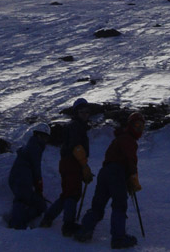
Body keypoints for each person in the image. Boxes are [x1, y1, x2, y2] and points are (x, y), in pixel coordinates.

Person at [74, 112, 145, 249]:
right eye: (136, 125)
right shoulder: (128, 139)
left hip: (105, 172)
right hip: (117, 173)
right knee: (119, 205)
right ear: (130, 125)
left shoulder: (118, 138)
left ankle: (84, 231)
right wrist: (133, 177)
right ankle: (118, 238)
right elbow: (131, 160)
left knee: (98, 205)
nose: (139, 129)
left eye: (141, 126)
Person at [40, 98, 94, 236]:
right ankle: (68, 225)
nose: (85, 114)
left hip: (68, 162)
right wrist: (84, 166)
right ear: (76, 112)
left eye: (87, 112)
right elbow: (76, 147)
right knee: (72, 194)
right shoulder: (76, 126)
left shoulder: (76, 125)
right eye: (82, 112)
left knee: (67, 194)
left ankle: (48, 217)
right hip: (72, 162)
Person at [7, 123, 51, 229]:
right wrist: (39, 185)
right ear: (38, 135)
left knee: (31, 202)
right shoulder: (35, 147)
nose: (45, 140)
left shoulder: (32, 145)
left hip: (20, 179)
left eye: (46, 138)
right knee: (23, 200)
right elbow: (36, 168)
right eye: (43, 137)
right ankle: (16, 225)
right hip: (22, 179)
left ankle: (18, 222)